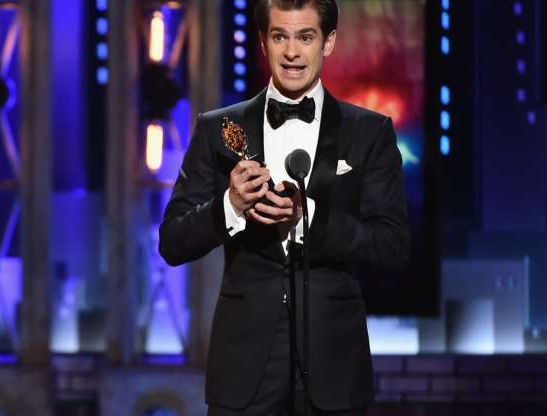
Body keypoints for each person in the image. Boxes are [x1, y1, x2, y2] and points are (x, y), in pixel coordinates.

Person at [158, 0, 410, 414]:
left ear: (328, 42)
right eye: (280, 36)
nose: (292, 52)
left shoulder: (370, 132)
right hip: (243, 371)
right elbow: (172, 242)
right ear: (263, 42)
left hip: (334, 369)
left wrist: (309, 221)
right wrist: (231, 207)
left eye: (305, 37)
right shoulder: (218, 130)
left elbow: (393, 246)